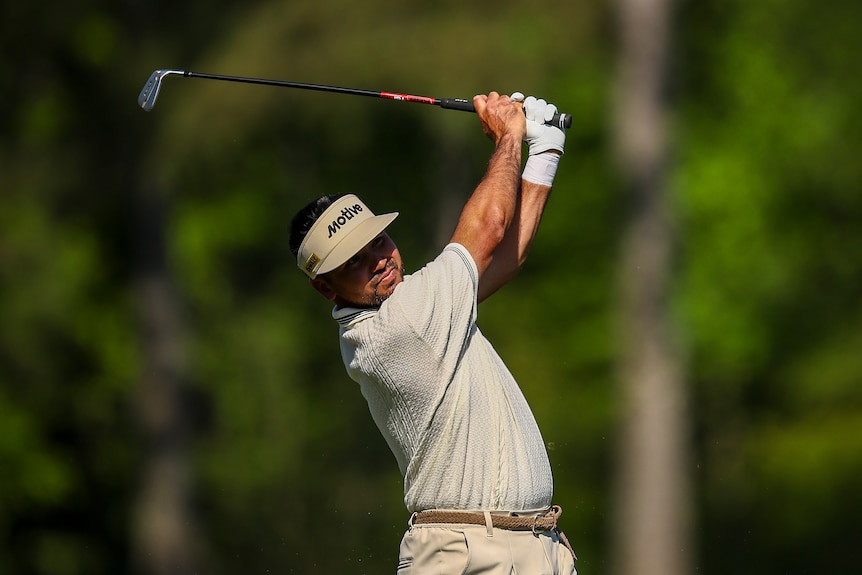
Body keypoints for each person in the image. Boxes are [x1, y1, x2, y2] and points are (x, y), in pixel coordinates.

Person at [288, 91, 576, 574]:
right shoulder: (401, 323)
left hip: (530, 546)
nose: (378, 261)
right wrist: (509, 136)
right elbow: (491, 227)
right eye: (354, 262)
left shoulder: (418, 305)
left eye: (378, 241)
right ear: (324, 287)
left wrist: (544, 150)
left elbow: (504, 260)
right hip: (467, 554)